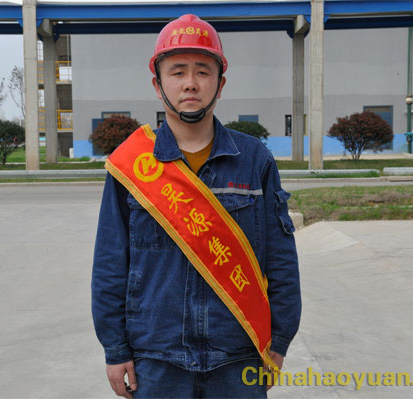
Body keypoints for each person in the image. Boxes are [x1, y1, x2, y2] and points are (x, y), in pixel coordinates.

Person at [92, 14, 301, 399]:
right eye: (178, 72)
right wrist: (115, 348)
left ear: (220, 83)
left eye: (203, 71)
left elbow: (280, 257)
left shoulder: (254, 160)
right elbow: (110, 262)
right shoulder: (131, 166)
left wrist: (281, 339)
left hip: (238, 356)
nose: (190, 82)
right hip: (156, 358)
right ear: (158, 84)